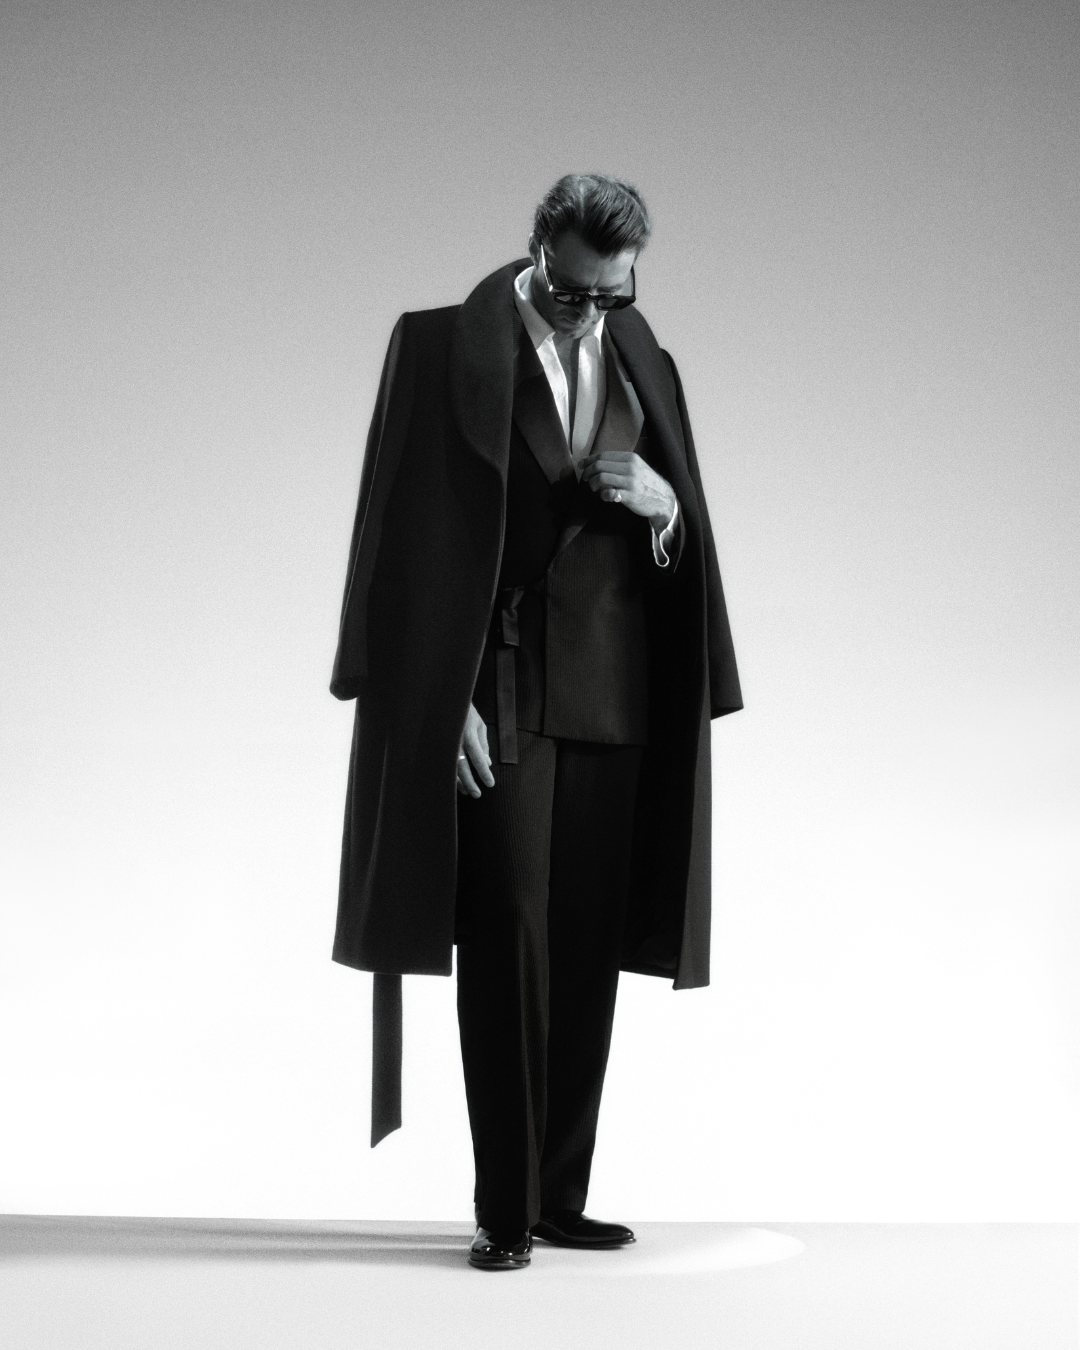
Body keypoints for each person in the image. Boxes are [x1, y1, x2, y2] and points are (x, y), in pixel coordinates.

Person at [330, 173, 742, 1270]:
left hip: (613, 688)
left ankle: (562, 1194)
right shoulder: (436, 348)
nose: (592, 312)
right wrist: (437, 699)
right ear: (537, 251)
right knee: (507, 933)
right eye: (573, 292)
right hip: (495, 687)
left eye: (615, 293)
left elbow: (683, 534)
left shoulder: (644, 355)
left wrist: (663, 506)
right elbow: (393, 541)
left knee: (587, 947)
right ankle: (505, 1208)